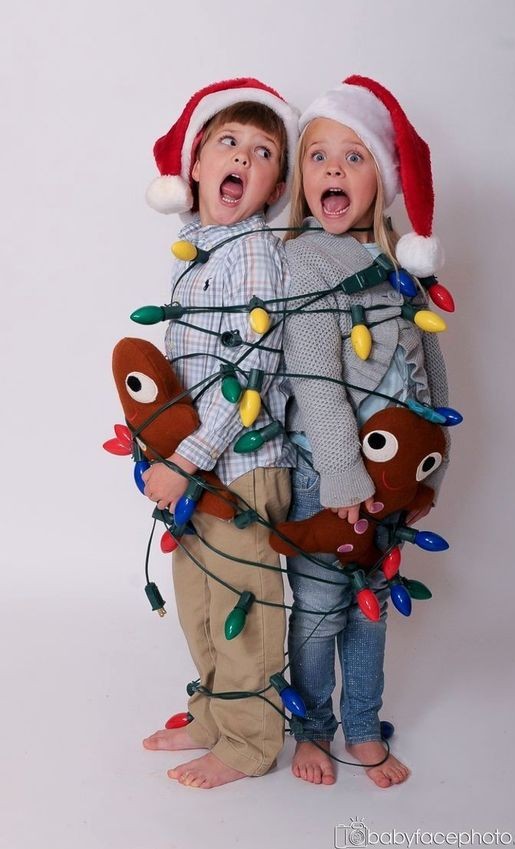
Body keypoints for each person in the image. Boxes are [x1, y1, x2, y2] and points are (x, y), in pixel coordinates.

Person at [281, 76, 450, 788]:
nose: (333, 171)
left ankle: (362, 725)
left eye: (353, 157)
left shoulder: (401, 269)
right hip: (329, 476)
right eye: (319, 156)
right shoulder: (304, 260)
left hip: (393, 478)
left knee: (372, 610)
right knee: (320, 606)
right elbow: (315, 376)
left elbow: (434, 382)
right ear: (303, 178)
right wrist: (343, 475)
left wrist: (430, 475)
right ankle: (312, 730)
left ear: (379, 177)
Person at [140, 78, 299, 789]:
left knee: (244, 606)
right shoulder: (197, 253)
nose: (242, 157)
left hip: (243, 464)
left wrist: (187, 456)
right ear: (196, 165)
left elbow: (252, 375)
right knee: (200, 596)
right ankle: (213, 710)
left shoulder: (255, 253)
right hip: (197, 467)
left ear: (271, 186)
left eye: (262, 152)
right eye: (228, 142)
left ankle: (251, 739)